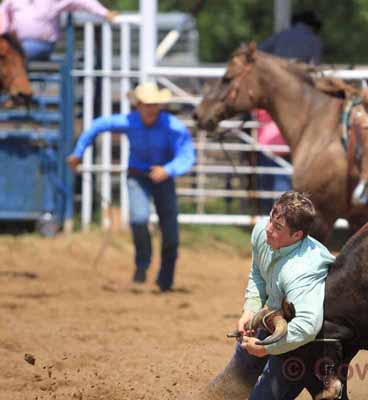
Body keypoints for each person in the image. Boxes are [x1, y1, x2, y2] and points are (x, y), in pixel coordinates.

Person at [66, 82, 196, 292]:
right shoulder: (129, 121)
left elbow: (187, 154)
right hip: (137, 175)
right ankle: (142, 264)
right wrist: (78, 153)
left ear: (159, 105)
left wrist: (168, 170)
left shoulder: (173, 126)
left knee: (170, 232)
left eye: (154, 104)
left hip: (163, 177)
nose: (150, 108)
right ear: (137, 105)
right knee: (138, 218)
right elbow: (98, 125)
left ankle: (165, 278)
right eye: (146, 104)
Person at [209, 191, 335, 399]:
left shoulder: (302, 268)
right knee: (231, 383)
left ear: (297, 235)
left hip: (310, 343)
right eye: (270, 220)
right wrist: (250, 310)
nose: (268, 229)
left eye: (277, 227)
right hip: (278, 324)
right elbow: (258, 273)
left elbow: (307, 326)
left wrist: (267, 348)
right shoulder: (262, 232)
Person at [254, 10, 323, 214]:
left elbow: (256, 55)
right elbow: (315, 71)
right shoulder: (313, 41)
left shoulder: (279, 38)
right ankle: (287, 214)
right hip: (300, 113)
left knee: (271, 165)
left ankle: (272, 212)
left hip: (271, 118)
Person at [0, 0, 117, 62]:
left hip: (41, 44)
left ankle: (18, 93)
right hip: (15, 43)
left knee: (12, 56)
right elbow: (3, 14)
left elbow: (82, 1)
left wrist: (104, 12)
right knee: (9, 54)